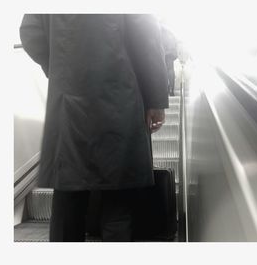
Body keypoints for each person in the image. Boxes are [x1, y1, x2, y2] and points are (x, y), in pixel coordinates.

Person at [19, 14, 169, 242]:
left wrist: (62, 68)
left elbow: (30, 30)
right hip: (121, 98)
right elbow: (146, 35)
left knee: (68, 201)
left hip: (69, 101)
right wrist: (155, 100)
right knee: (118, 203)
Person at [161, 25, 178, 96]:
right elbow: (175, 43)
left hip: (164, 52)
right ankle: (171, 89)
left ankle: (167, 89)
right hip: (170, 53)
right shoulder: (171, 33)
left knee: (165, 70)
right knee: (170, 70)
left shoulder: (161, 31)